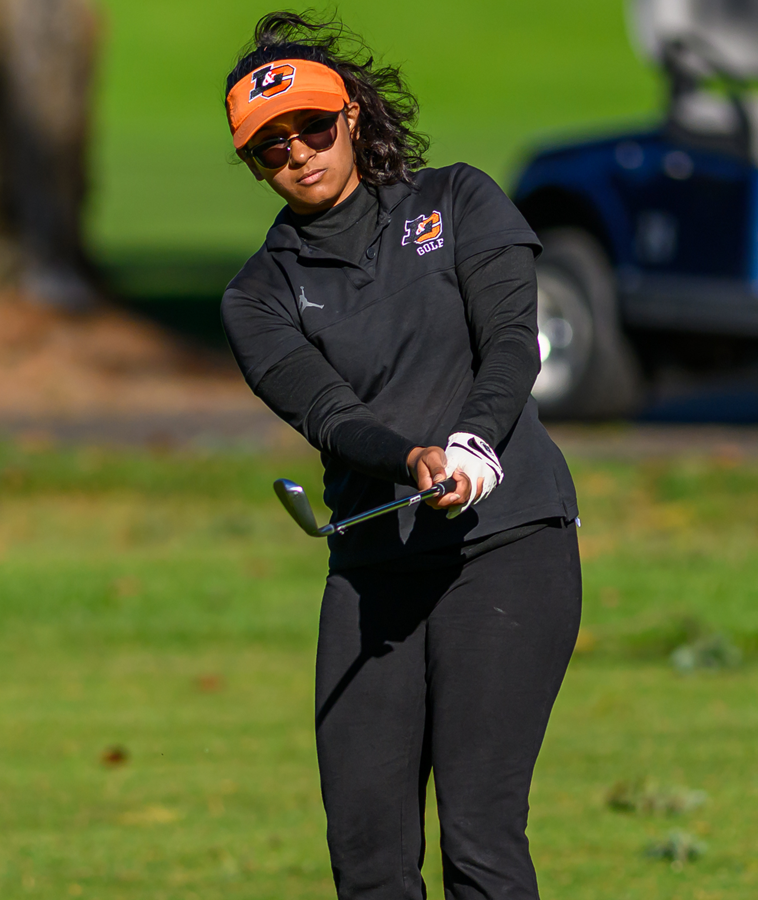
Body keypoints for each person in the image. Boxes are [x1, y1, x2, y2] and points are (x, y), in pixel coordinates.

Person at [218, 13, 582, 900]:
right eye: (270, 146)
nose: (298, 152)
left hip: (507, 544)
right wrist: (410, 459)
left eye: (312, 125)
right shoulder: (258, 295)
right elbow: (332, 416)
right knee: (368, 858)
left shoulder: (458, 201)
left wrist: (471, 446)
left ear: (353, 116)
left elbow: (510, 344)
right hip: (374, 560)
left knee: (480, 839)